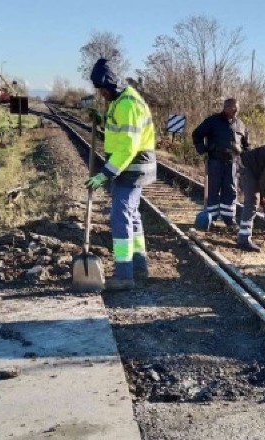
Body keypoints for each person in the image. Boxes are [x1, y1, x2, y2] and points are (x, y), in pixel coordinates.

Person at [85, 58, 157, 291]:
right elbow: (118, 133)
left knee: (120, 216)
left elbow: (127, 147)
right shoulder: (120, 101)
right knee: (132, 215)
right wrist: (103, 121)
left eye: (101, 89)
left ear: (110, 86)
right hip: (132, 166)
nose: (101, 94)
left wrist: (104, 174)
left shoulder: (127, 104)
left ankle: (125, 274)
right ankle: (139, 265)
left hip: (132, 167)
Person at [192, 98, 250, 226]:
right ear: (225, 107)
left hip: (233, 163)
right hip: (215, 161)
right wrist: (203, 149)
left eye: (236, 107)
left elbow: (247, 145)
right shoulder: (213, 121)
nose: (234, 110)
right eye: (231, 107)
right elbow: (197, 134)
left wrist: (245, 160)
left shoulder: (241, 125)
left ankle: (229, 218)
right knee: (213, 189)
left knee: (230, 190)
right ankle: (211, 217)